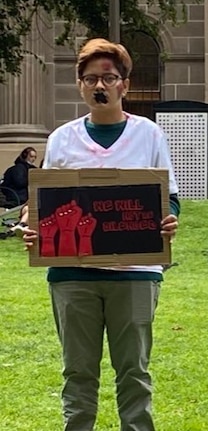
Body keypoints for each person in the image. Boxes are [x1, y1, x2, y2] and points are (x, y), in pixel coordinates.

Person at [21, 38, 180, 431]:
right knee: (77, 374)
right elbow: (43, 201)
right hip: (72, 274)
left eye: (109, 78)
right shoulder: (61, 138)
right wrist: (33, 227)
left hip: (135, 273)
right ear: (80, 85)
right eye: (91, 78)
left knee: (134, 374)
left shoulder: (149, 135)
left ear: (124, 84)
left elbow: (169, 197)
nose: (100, 86)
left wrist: (169, 220)